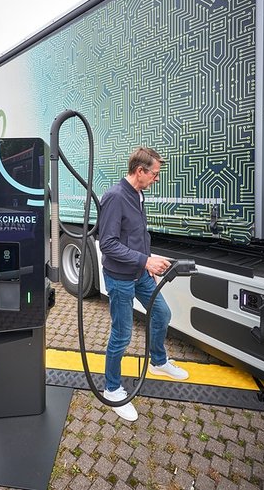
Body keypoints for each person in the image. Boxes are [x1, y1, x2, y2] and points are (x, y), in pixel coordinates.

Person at [99, 146, 189, 421]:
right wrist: (145, 261)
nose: (156, 179)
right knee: (122, 334)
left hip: (139, 273)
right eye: (155, 174)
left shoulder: (138, 194)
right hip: (120, 279)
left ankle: (158, 361)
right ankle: (112, 388)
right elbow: (108, 244)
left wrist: (147, 261)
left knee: (162, 314)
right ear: (140, 171)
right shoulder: (115, 197)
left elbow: (138, 234)